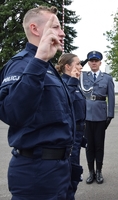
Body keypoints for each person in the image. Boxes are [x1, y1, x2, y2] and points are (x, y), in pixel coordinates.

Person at [0, 6, 75, 199]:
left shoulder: (47, 64)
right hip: (36, 171)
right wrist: (39, 60)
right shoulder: (22, 64)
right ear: (35, 29)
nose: (62, 32)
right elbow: (13, 113)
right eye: (56, 27)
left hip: (59, 168)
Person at [55, 53, 87, 199]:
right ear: (68, 66)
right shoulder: (64, 83)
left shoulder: (72, 82)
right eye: (78, 64)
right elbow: (65, 104)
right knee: (70, 176)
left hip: (77, 135)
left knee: (73, 174)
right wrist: (73, 81)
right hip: (70, 138)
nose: (81, 66)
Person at [81, 50, 115, 184]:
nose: (94, 63)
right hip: (87, 115)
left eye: (96, 61)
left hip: (101, 116)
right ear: (88, 62)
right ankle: (91, 172)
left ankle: (99, 171)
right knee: (89, 146)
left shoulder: (107, 78)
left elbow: (111, 97)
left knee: (99, 145)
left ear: (100, 62)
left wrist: (110, 115)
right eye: (91, 61)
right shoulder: (83, 76)